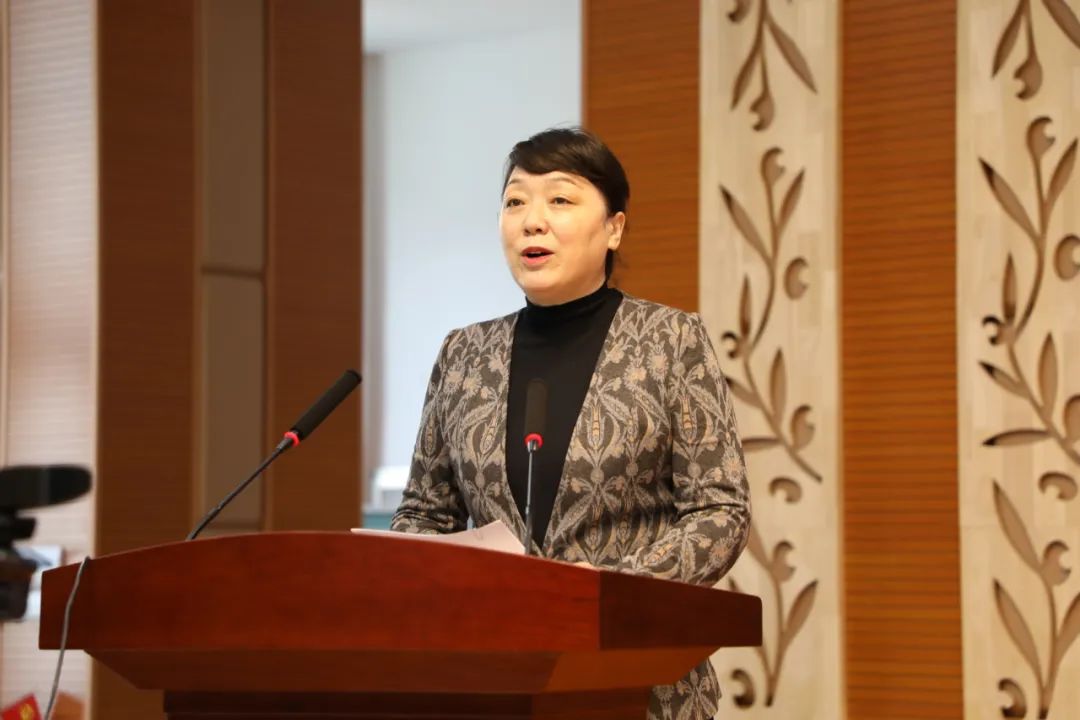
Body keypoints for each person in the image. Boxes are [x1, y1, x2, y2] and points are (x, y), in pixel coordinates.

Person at [391, 127, 751, 720]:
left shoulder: (670, 341)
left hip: (637, 683)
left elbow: (720, 511)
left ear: (613, 228)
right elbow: (424, 514)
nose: (532, 221)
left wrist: (606, 587)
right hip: (489, 681)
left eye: (560, 199)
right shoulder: (464, 354)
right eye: (515, 202)